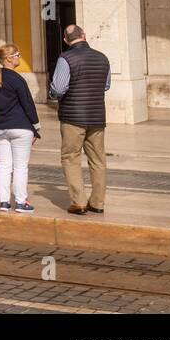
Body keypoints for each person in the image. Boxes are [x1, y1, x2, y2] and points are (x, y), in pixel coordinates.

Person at [50, 24, 110, 215]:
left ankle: (79, 202)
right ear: (84, 35)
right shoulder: (102, 58)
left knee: (70, 157)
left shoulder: (65, 58)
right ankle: (98, 202)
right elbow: (106, 85)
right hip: (97, 116)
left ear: (66, 41)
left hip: (72, 116)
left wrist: (53, 93)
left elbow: (58, 89)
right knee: (98, 160)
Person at [0, 43, 40, 213]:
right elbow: (28, 104)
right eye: (17, 54)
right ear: (8, 58)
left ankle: (4, 202)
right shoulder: (17, 79)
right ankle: (21, 202)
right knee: (20, 166)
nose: (19, 57)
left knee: (4, 165)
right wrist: (36, 126)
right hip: (19, 127)